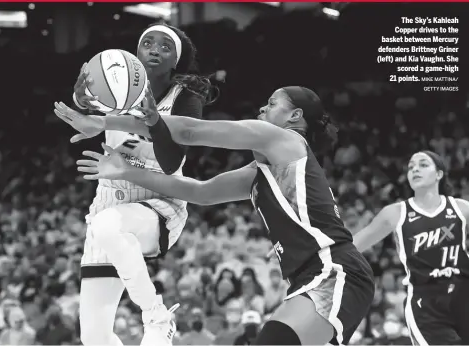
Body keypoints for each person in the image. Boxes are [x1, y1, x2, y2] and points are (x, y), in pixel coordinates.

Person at [69, 86, 375, 345]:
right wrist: (127, 172)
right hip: (309, 276)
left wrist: (107, 122)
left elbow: (191, 131)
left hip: (334, 269)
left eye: (272, 104)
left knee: (273, 339)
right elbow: (199, 192)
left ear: (295, 117)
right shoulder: (259, 174)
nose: (262, 108)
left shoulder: (286, 141)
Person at [54, 22, 214, 346]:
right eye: (148, 43)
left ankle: (156, 315)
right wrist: (81, 91)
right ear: (137, 53)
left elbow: (171, 162)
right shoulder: (117, 89)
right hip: (110, 203)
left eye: (165, 47)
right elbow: (86, 104)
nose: (154, 50)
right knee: (94, 339)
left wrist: (154, 122)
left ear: (175, 62)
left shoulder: (186, 98)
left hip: (159, 201)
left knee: (107, 226)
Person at [353, 150, 469, 345]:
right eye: (411, 167)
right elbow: (353, 246)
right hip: (426, 304)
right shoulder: (396, 213)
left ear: (439, 174)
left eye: (423, 165)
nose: (415, 169)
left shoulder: (461, 208)